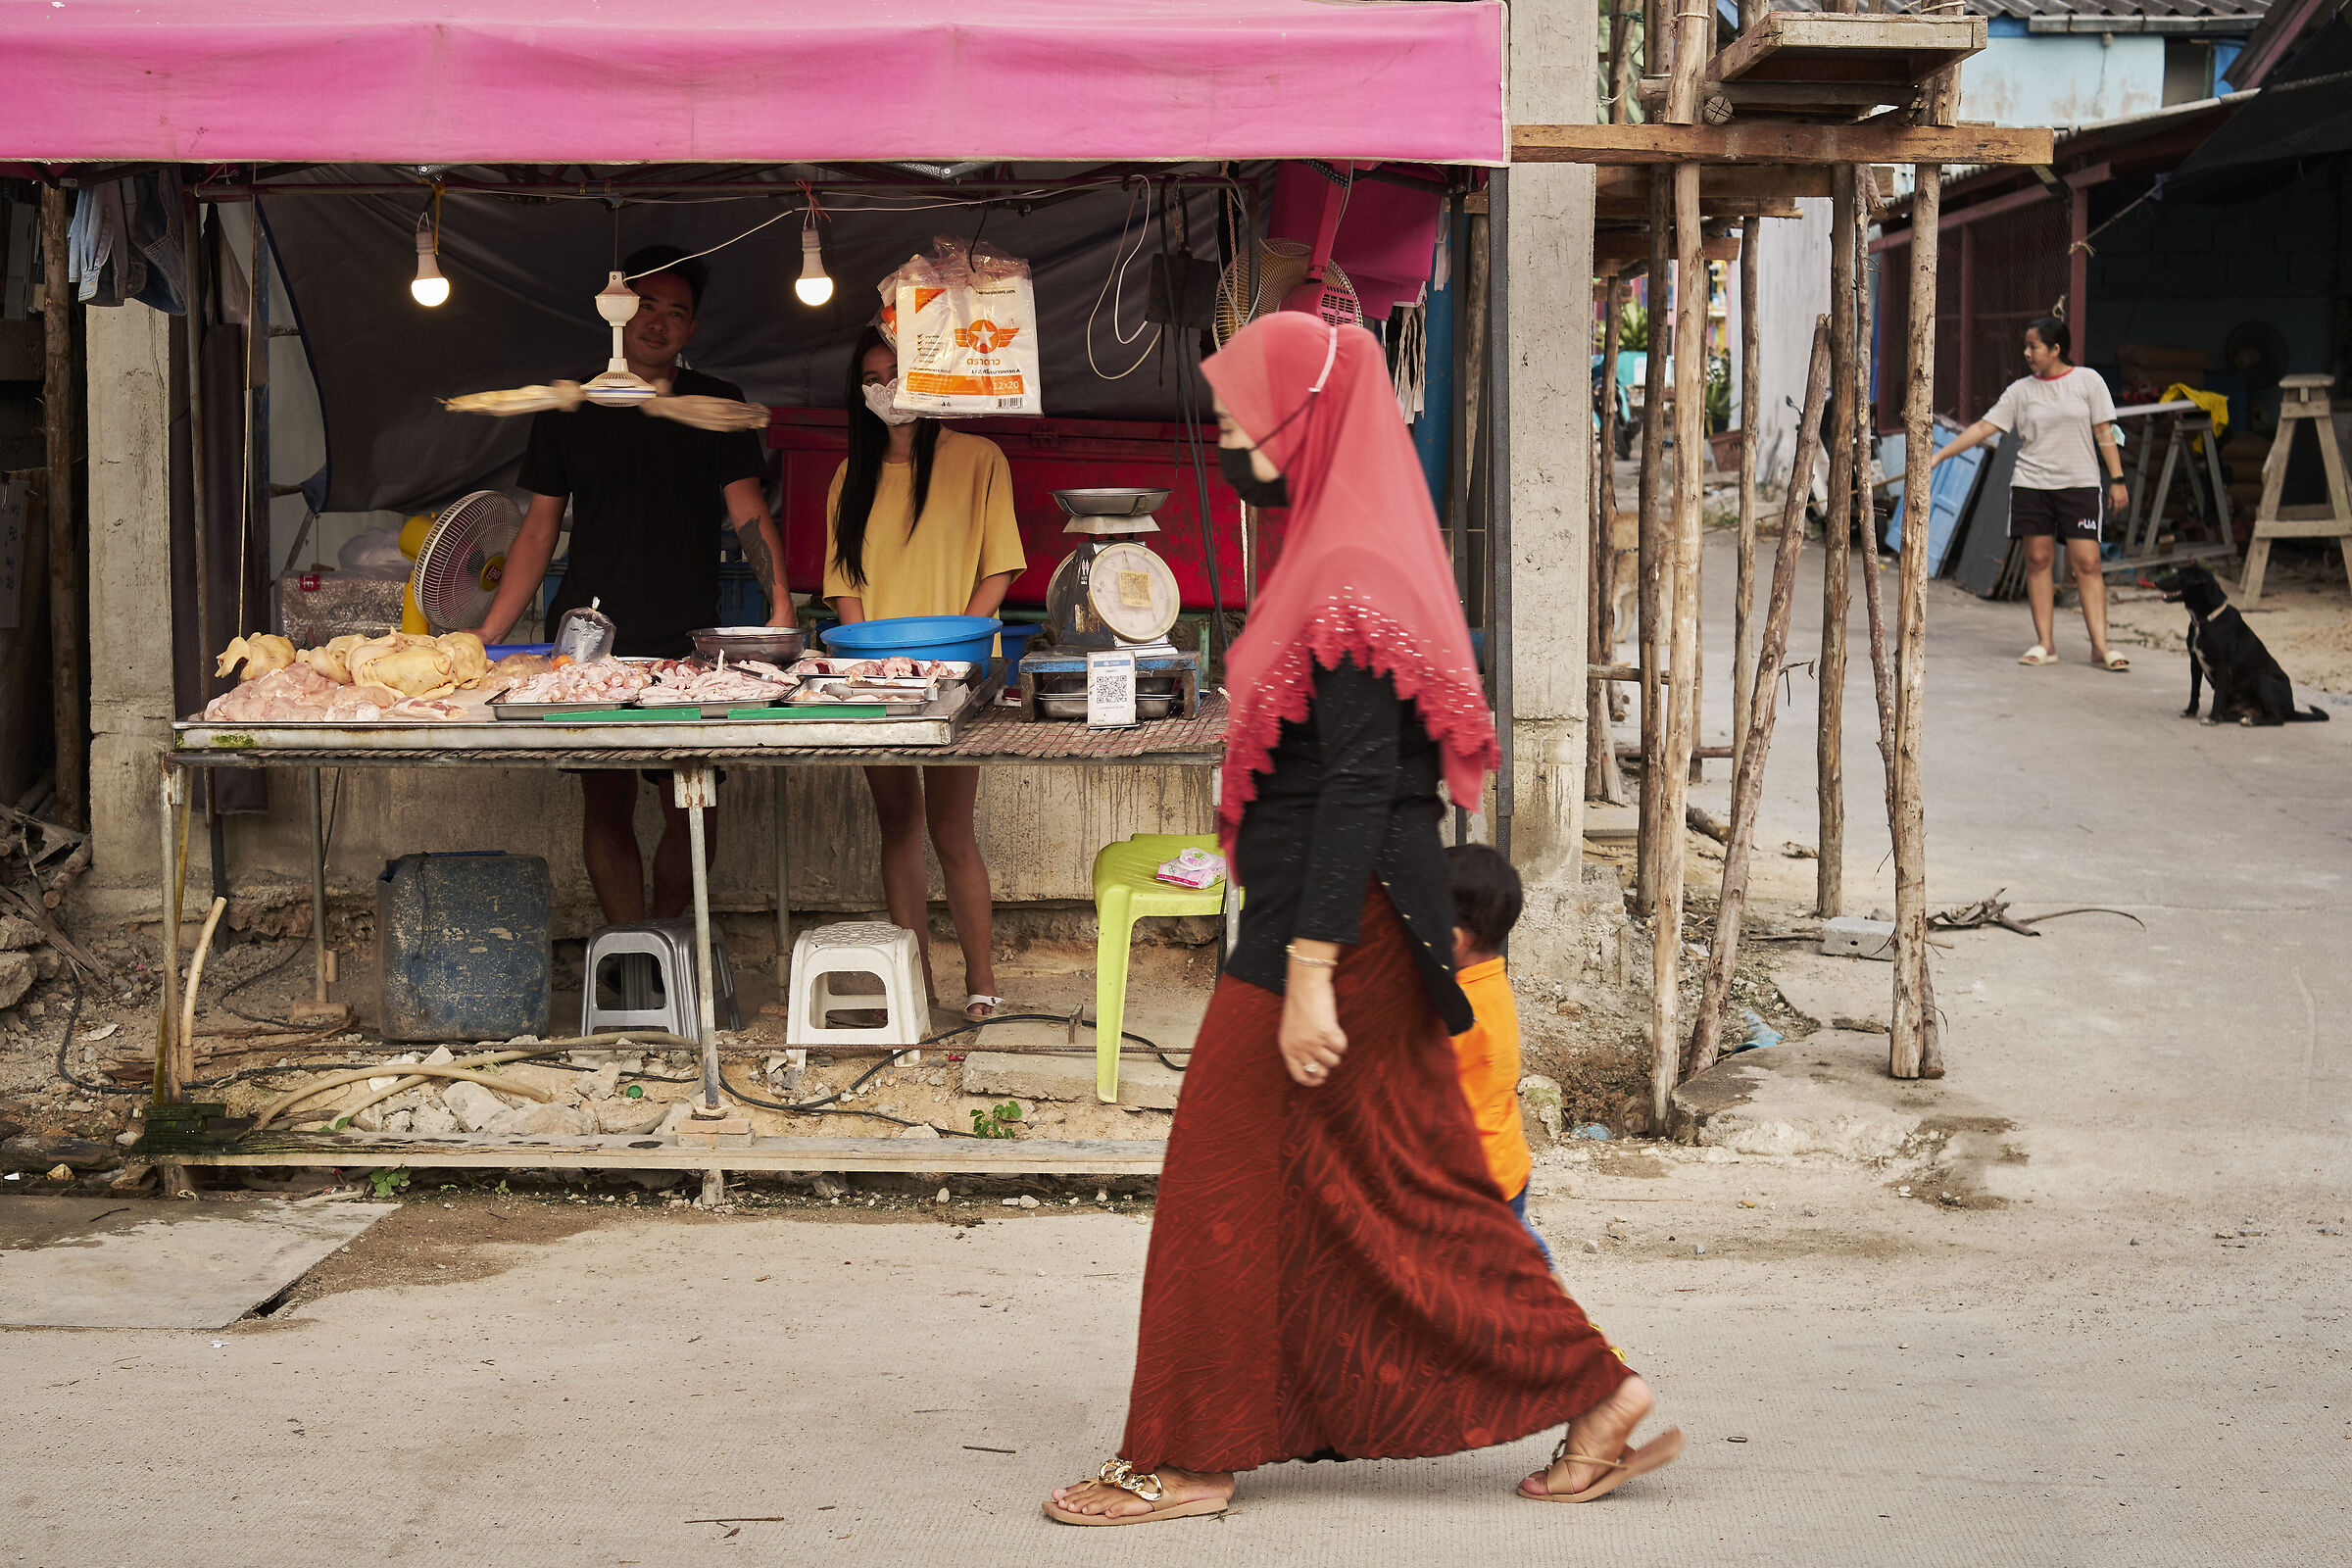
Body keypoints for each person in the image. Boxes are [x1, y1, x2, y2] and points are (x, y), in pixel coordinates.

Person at [1043, 315, 1680, 1528]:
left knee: (1221, 1175)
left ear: (1308, 419)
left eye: (1243, 409)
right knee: (1399, 1185)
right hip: (1332, 909)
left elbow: (1362, 786)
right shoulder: (1335, 546)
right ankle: (1599, 1394)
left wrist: (1315, 971)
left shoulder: (1350, 573)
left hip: (1339, 923)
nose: (1226, 430)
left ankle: (1186, 1453)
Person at [471, 245, 790, 924]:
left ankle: (671, 940)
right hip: (589, 639)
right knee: (605, 801)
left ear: (692, 331)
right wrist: (491, 632)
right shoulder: (569, 404)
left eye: (678, 312)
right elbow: (538, 531)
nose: (659, 322)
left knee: (692, 801)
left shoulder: (716, 405)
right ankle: (629, 950)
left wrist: (782, 605)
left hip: (688, 638)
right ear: (616, 310)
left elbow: (749, 514)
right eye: (647, 305)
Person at [823, 324, 1025, 1020]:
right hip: (878, 682)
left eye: (899, 374)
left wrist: (958, 652)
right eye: (873, 378)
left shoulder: (979, 458)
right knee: (897, 823)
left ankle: (981, 979)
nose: (887, 389)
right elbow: (844, 588)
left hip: (959, 675)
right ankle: (917, 984)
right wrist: (871, 667)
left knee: (952, 830)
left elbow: (999, 567)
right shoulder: (850, 476)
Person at [1928, 316, 2132, 670]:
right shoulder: (2021, 391)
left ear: (2056, 349)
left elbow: (2105, 432)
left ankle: (2100, 647)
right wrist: (1940, 455)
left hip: (2080, 484)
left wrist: (2117, 479)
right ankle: (2045, 644)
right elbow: (1983, 427)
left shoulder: (2088, 382)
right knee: (2038, 561)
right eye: (2027, 346)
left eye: (2033, 346)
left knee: (2088, 563)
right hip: (2031, 485)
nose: (2027, 353)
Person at [1444, 843, 1548, 1269]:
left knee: (1502, 1279)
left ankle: (1560, 1318)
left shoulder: (1458, 1010)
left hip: (1473, 1183)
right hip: (1506, 1166)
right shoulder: (1491, 984)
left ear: (1454, 939)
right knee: (1516, 1255)